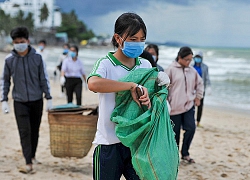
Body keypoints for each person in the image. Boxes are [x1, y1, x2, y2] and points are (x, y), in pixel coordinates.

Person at [87, 12, 169, 180]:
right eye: (133, 39)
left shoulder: (145, 65)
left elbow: (150, 104)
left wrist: (156, 89)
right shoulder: (106, 63)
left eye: (142, 39)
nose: (138, 44)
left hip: (136, 144)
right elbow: (93, 84)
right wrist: (130, 85)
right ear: (118, 38)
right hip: (109, 144)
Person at [0, 26, 53, 173]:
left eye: (21, 41)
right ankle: (28, 162)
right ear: (13, 43)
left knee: (34, 130)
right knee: (24, 131)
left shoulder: (37, 57)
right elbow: (5, 80)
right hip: (19, 101)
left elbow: (44, 78)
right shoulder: (9, 60)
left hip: (37, 100)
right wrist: (3, 100)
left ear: (28, 41)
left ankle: (33, 155)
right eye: (16, 42)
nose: (19, 44)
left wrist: (48, 98)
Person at [165, 46, 204, 164]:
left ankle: (185, 153)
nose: (189, 62)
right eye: (187, 59)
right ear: (180, 58)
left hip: (188, 107)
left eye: (190, 60)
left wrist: (198, 97)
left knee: (191, 128)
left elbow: (200, 84)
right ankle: (174, 156)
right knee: (174, 134)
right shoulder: (170, 70)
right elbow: (163, 88)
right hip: (174, 108)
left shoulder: (192, 70)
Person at [193, 51, 211, 127]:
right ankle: (191, 120)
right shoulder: (191, 66)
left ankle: (198, 121)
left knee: (200, 105)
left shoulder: (205, 67)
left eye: (199, 57)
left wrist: (209, 86)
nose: (197, 59)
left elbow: (207, 78)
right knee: (191, 105)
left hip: (201, 89)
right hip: (191, 88)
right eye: (196, 57)